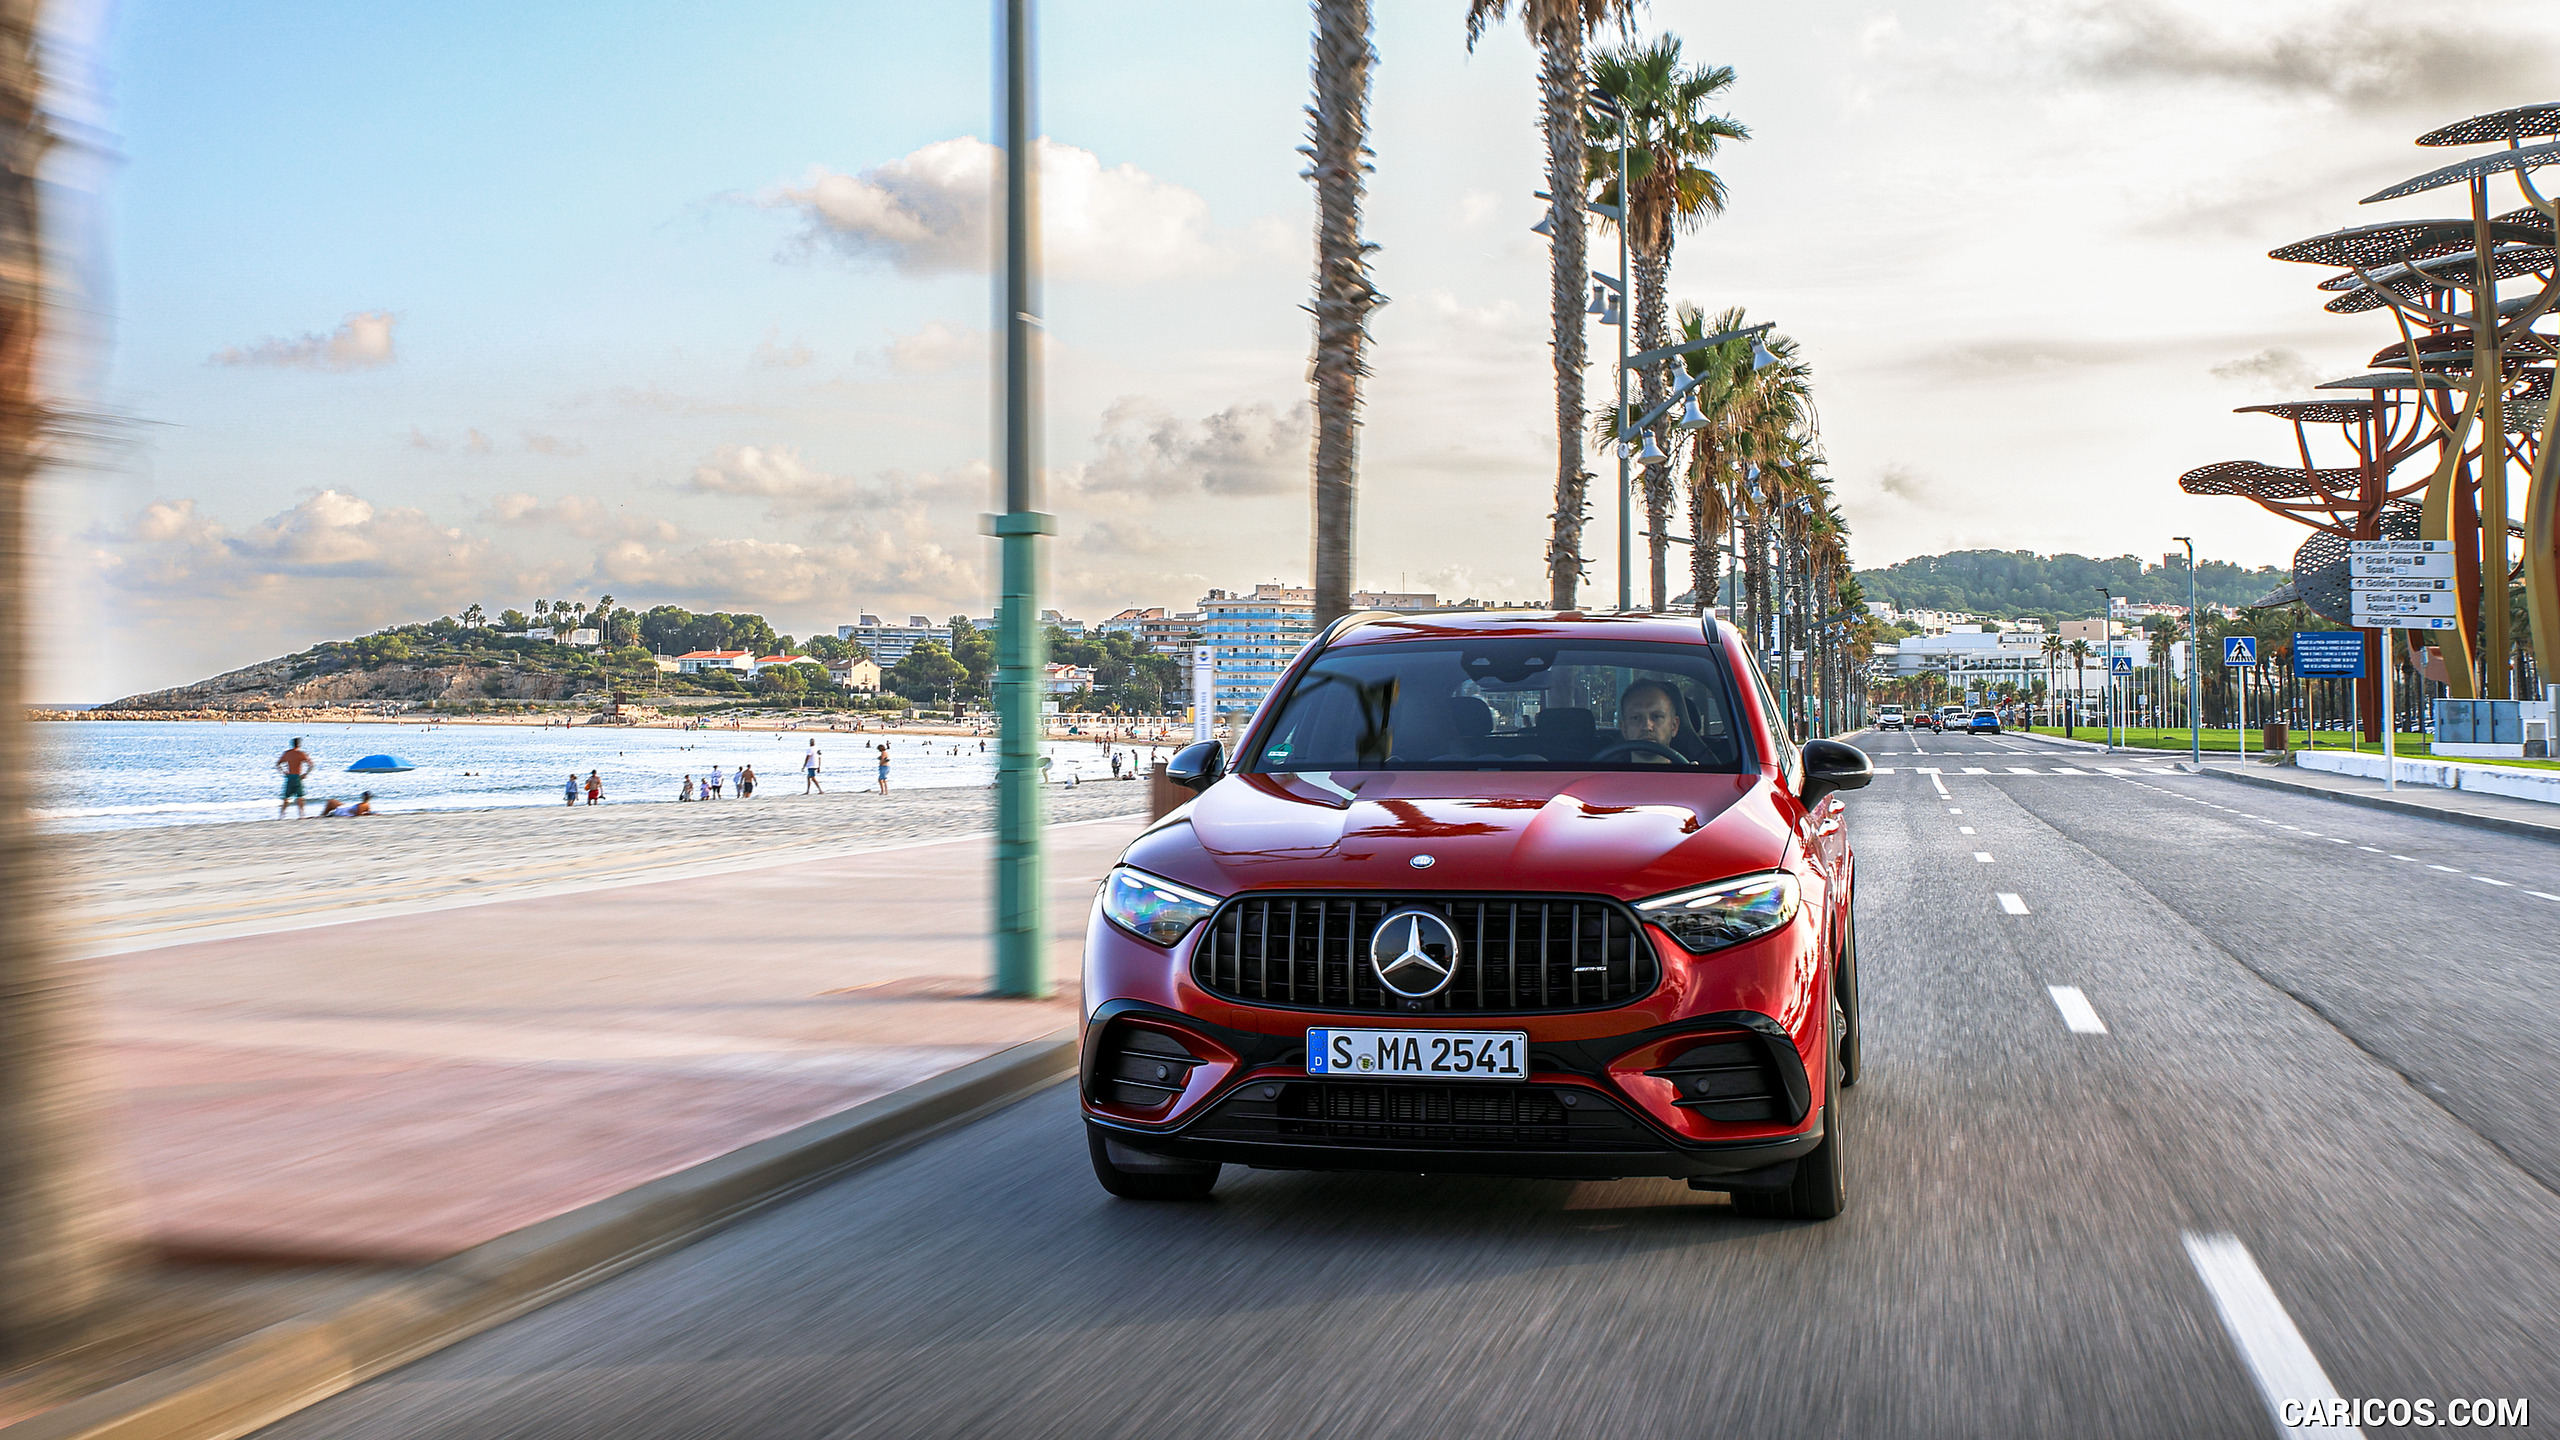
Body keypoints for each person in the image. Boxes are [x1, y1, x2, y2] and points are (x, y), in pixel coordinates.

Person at [1616, 679, 1693, 764]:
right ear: (1624, 729)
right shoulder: (1606, 774)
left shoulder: (1694, 774)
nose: (1647, 727)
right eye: (1636, 718)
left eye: (1657, 717)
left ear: (1674, 726)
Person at [276, 737, 314, 818]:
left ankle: (281, 815)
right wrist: (305, 774)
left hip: (290, 776)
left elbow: (278, 764)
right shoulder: (301, 754)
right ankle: (301, 815)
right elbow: (311, 765)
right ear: (299, 744)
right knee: (300, 797)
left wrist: (283, 772)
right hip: (297, 776)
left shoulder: (287, 753)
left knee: (286, 797)